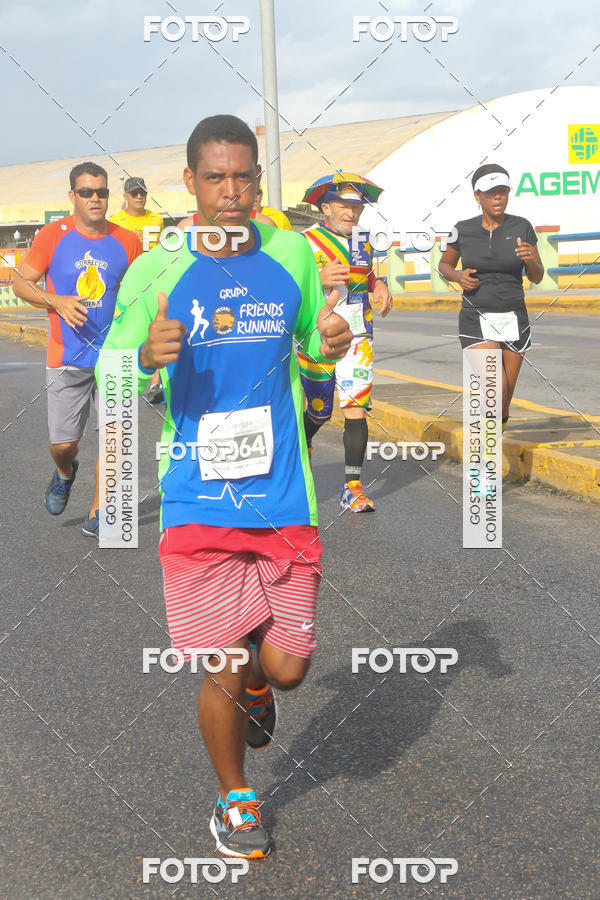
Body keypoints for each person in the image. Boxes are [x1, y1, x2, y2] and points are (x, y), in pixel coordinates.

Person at [99, 114, 352, 859]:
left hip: (282, 495)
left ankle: (262, 690)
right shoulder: (156, 269)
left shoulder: (291, 253)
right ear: (190, 182)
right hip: (197, 497)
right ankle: (234, 799)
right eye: (215, 178)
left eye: (244, 176)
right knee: (227, 662)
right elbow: (111, 380)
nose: (231, 192)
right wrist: (143, 358)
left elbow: (311, 342)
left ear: (259, 182)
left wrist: (328, 343)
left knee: (288, 668)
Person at [12, 161, 141, 536]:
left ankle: (101, 511)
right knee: (63, 444)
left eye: (102, 191)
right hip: (66, 356)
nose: (95, 198)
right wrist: (57, 301)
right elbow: (21, 283)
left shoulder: (127, 240)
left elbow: (140, 293)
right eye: (86, 192)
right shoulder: (52, 236)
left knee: (116, 437)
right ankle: (65, 471)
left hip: (115, 355)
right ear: (72, 195)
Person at [298, 177, 393, 512]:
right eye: (344, 206)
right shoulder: (305, 242)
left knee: (356, 407)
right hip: (316, 335)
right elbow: (288, 287)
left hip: (358, 334)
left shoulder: (363, 241)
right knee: (319, 411)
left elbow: (366, 275)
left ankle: (353, 487)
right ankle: (302, 446)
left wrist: (379, 285)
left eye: (357, 206)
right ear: (325, 207)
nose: (352, 213)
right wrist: (317, 279)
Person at [438, 163, 544, 430]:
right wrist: (458, 276)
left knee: (504, 400)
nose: (498, 197)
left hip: (514, 316)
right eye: (490, 192)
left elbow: (537, 276)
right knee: (495, 390)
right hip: (476, 315)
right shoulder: (461, 229)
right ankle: (488, 451)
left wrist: (530, 260)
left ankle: (495, 436)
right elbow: (444, 265)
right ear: (477, 196)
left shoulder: (522, 227)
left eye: (503, 191)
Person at [110, 177, 165, 404]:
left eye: (142, 192)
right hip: (128, 285)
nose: (139, 196)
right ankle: (121, 387)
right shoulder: (115, 221)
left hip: (154, 282)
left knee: (158, 329)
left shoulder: (156, 219)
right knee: (128, 334)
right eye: (134, 193)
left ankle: (156, 383)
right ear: (125, 196)